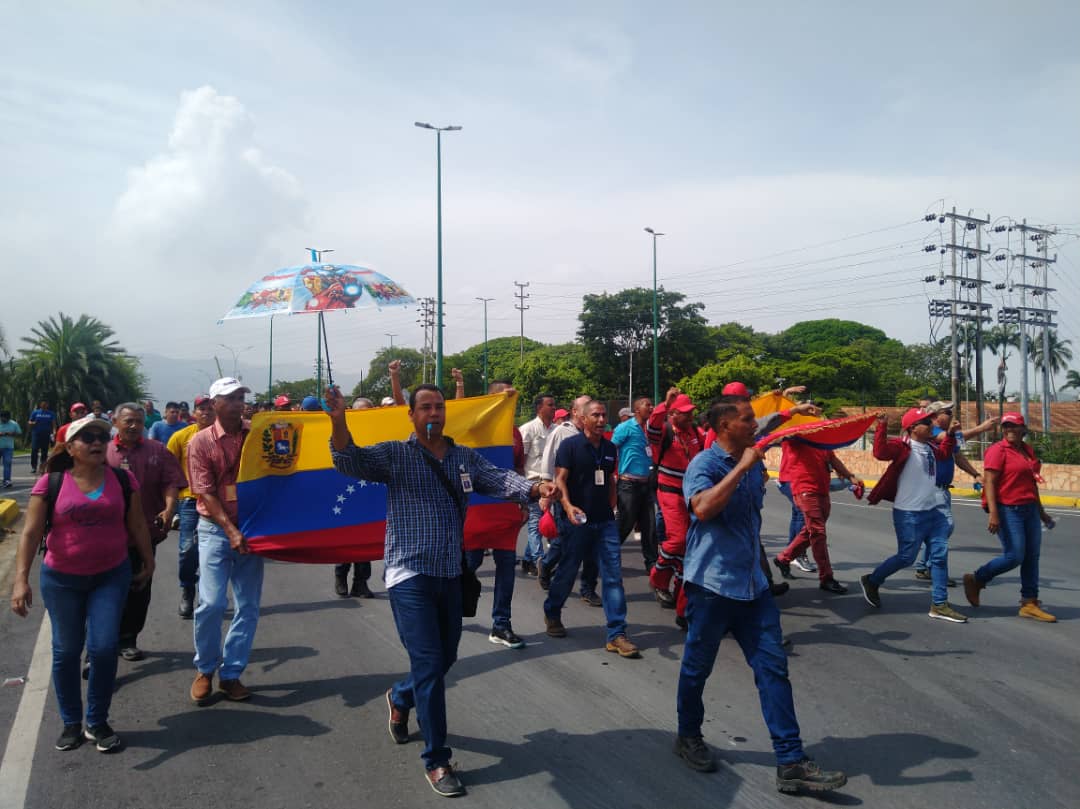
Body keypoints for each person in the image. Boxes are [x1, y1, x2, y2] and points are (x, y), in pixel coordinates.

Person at [327, 383, 553, 798]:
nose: (433, 413)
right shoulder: (396, 455)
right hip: (408, 575)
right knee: (430, 662)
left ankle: (400, 695)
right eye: (424, 408)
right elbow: (349, 461)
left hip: (450, 573)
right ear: (410, 416)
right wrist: (339, 420)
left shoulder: (464, 458)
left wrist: (537, 488)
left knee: (445, 658)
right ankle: (437, 759)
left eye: (438, 406)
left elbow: (501, 479)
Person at [674, 395, 846, 794]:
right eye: (747, 419)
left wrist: (790, 419)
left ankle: (790, 761)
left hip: (753, 587)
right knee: (697, 667)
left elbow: (768, 431)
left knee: (773, 669)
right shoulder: (705, 464)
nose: (754, 424)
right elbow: (701, 509)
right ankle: (687, 735)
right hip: (712, 586)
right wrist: (742, 470)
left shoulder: (752, 458)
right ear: (724, 427)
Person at [10, 414, 154, 753]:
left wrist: (149, 561)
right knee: (66, 650)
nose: (96, 442)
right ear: (71, 447)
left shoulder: (122, 479)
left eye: (102, 438)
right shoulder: (52, 482)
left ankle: (97, 721)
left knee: (104, 647)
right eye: (87, 437)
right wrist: (20, 581)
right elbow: (30, 533)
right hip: (61, 579)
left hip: (110, 575)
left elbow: (136, 524)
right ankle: (71, 723)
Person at [544, 400, 642, 658]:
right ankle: (553, 611)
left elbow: (609, 479)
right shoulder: (570, 446)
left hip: (605, 522)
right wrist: (567, 506)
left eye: (603, 416)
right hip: (576, 521)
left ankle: (617, 634)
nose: (601, 420)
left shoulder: (610, 448)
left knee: (613, 576)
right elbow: (560, 480)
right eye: (595, 416)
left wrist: (612, 508)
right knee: (567, 570)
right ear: (584, 419)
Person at [188, 377, 262, 704]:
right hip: (216, 530)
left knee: (248, 605)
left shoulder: (259, 434)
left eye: (241, 397)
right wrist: (230, 531)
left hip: (253, 529)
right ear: (214, 404)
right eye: (229, 398)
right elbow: (204, 491)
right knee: (212, 603)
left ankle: (231, 674)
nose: (237, 403)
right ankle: (205, 668)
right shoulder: (200, 442)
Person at [860, 409, 966, 622]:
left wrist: (952, 434)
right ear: (912, 428)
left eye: (930, 421)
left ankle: (939, 604)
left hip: (933, 513)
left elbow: (946, 454)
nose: (930, 424)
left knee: (939, 556)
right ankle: (873, 580)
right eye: (925, 422)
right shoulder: (902, 447)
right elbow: (880, 452)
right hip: (909, 514)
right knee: (906, 557)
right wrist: (881, 426)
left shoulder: (930, 447)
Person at [108, 403, 185, 659]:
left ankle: (128, 638)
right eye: (128, 421)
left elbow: (172, 482)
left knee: (139, 586)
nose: (133, 426)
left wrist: (169, 508)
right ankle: (101, 645)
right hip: (107, 536)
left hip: (145, 533)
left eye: (138, 422)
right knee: (106, 591)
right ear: (115, 422)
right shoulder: (103, 452)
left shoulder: (157, 451)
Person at [962, 412, 1057, 622]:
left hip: (1029, 509)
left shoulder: (1026, 451)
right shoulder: (997, 451)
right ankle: (977, 578)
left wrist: (1041, 513)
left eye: (1014, 426)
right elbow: (990, 483)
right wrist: (994, 514)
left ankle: (1029, 603)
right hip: (1008, 510)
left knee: (1032, 557)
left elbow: (1032, 484)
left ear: (1023, 429)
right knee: (1014, 555)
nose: (1009, 430)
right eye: (1006, 427)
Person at [461, 379, 530, 649]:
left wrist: (524, 501)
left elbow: (519, 468)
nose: (506, 402)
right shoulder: (476, 428)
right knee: (467, 565)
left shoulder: (513, 432)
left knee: (506, 569)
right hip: (476, 510)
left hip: (506, 511)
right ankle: (449, 605)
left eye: (509, 398)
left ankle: (501, 624)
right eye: (500, 398)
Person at [912, 401, 997, 584]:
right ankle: (933, 570)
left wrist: (975, 474)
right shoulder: (932, 432)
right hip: (932, 490)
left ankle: (925, 566)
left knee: (937, 530)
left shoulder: (946, 435)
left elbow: (957, 455)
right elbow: (950, 437)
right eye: (947, 412)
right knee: (944, 528)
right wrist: (982, 428)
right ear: (934, 416)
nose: (951, 415)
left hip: (941, 490)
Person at [772, 439, 862, 594]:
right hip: (805, 488)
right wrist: (794, 413)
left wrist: (849, 475)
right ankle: (826, 577)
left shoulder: (821, 436)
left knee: (811, 530)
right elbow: (782, 434)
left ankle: (783, 558)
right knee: (818, 532)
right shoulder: (795, 437)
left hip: (822, 488)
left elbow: (832, 458)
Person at [647, 387, 705, 627]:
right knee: (679, 540)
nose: (689, 416)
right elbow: (652, 426)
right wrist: (664, 403)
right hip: (670, 491)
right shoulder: (664, 431)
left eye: (691, 412)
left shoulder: (696, 432)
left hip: (693, 494)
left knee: (689, 548)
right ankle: (658, 577)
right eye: (684, 412)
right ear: (673, 414)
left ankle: (682, 602)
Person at [537, 395, 599, 602]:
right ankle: (546, 565)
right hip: (565, 499)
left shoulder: (595, 436)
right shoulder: (561, 432)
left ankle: (588, 588)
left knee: (592, 547)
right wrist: (545, 490)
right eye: (585, 410)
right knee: (564, 542)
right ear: (575, 412)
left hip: (592, 499)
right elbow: (548, 461)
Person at [167, 394, 216, 619]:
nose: (205, 412)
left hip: (219, 500)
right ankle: (187, 590)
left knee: (218, 551)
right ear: (193, 413)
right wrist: (170, 505)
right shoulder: (180, 437)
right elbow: (168, 470)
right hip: (189, 500)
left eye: (209, 408)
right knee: (188, 548)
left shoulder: (225, 435)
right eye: (201, 409)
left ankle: (210, 595)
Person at [611, 396, 657, 571]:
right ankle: (607, 555)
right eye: (647, 405)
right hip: (628, 485)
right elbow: (611, 447)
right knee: (624, 525)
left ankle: (652, 564)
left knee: (650, 526)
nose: (651, 407)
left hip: (646, 485)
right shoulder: (625, 427)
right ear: (637, 409)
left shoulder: (647, 430)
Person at [518, 392, 557, 576]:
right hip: (533, 483)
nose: (553, 407)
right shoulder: (528, 429)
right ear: (539, 408)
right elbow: (521, 458)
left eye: (554, 404)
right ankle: (540, 562)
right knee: (535, 523)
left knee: (544, 522)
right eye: (550, 404)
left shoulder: (557, 430)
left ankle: (528, 559)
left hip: (550, 484)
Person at [28, 400, 57, 474]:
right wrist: (33, 423)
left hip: (46, 434)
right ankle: (33, 467)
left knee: (44, 451)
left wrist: (54, 431)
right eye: (43, 403)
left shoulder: (51, 413)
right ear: (40, 404)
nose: (44, 405)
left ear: (48, 405)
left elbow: (53, 423)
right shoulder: (35, 412)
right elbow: (29, 422)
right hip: (36, 434)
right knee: (34, 450)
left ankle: (42, 466)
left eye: (46, 403)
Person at [0, 410, 22, 488]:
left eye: (6, 418)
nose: (4, 420)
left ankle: (7, 480)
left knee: (7, 464)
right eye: (3, 418)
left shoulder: (13, 424)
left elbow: (19, 433)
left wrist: (11, 433)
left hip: (8, 447)